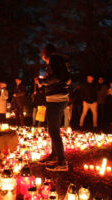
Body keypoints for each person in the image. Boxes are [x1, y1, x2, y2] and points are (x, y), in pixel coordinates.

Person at [37, 44, 71, 172]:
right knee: (53, 129)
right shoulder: (59, 60)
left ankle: (62, 161)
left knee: (54, 131)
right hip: (57, 98)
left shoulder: (55, 60)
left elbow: (57, 77)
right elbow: (62, 76)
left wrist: (42, 82)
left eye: (43, 57)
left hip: (56, 99)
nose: (44, 59)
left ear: (46, 54)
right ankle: (54, 155)